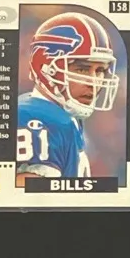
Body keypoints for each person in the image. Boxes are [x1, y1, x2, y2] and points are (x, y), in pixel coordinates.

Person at [16, 11, 119, 183]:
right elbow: (29, 194)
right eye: (82, 69)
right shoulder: (38, 119)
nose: (94, 82)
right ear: (46, 68)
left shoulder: (64, 115)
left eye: (100, 70)